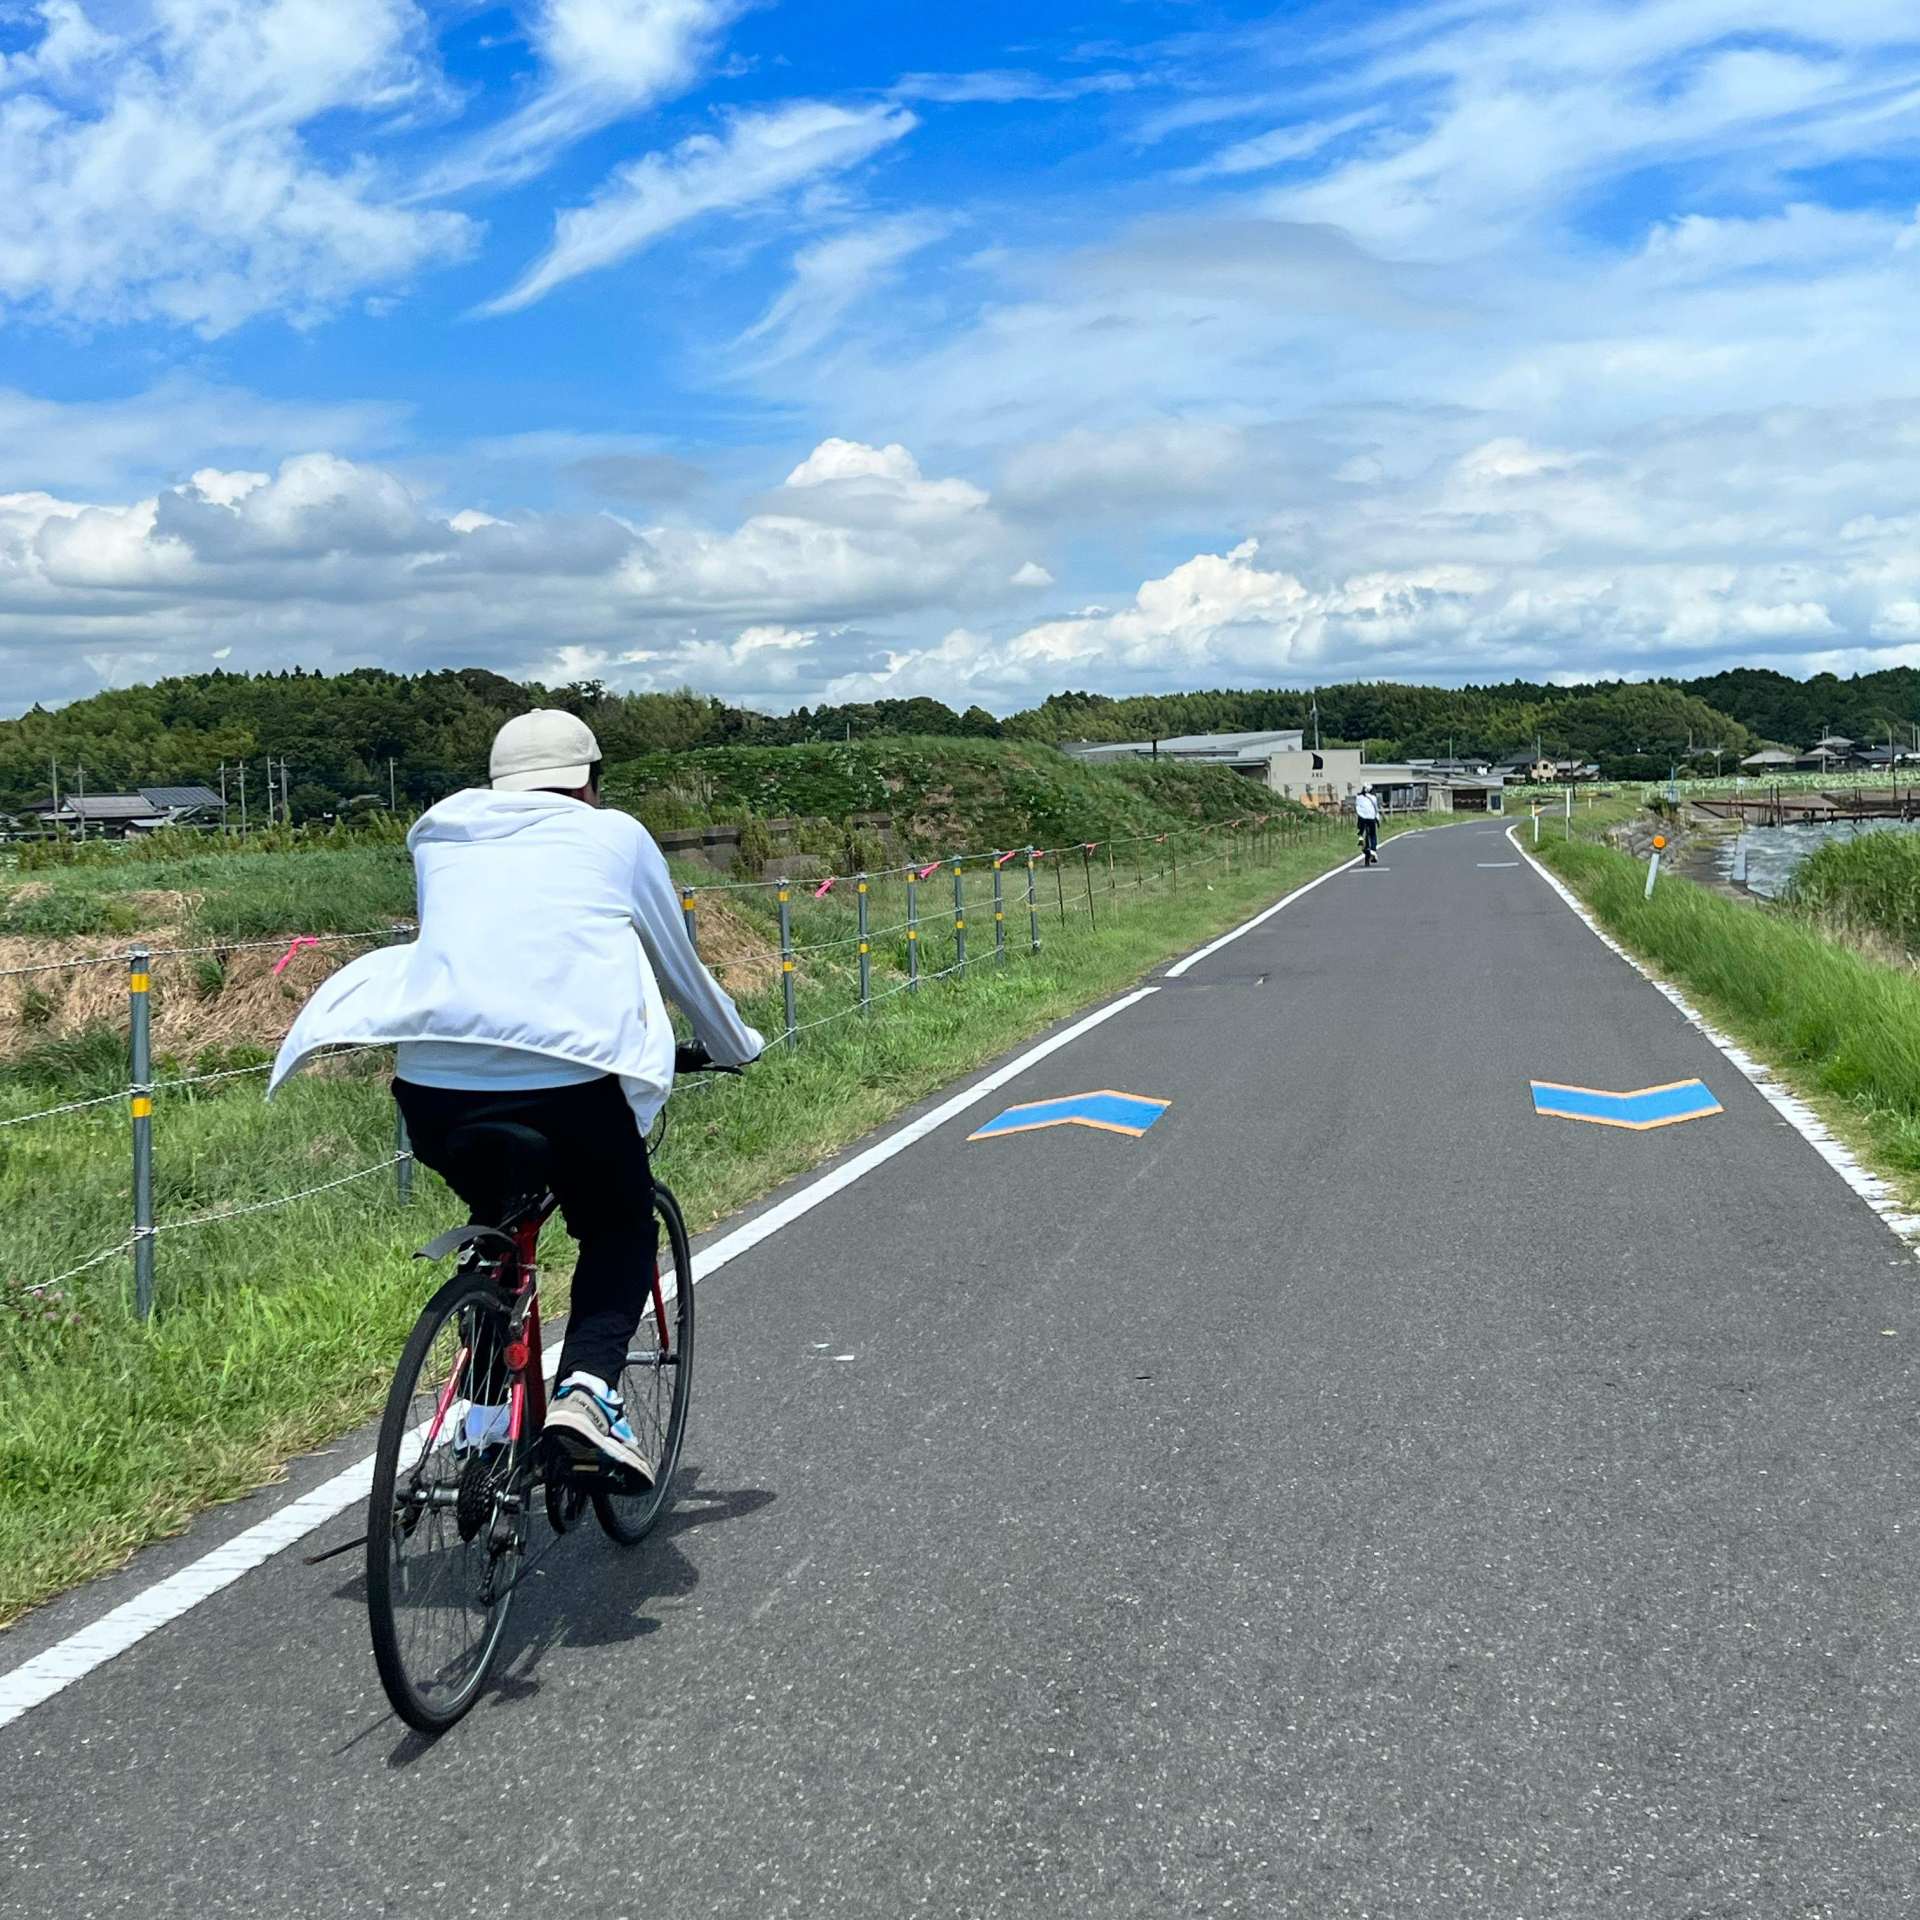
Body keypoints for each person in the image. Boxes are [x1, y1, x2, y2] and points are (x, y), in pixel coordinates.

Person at [269, 710, 763, 1485]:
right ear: (590, 781)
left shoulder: (441, 834)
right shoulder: (617, 837)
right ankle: (591, 1393)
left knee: (500, 1229)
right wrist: (736, 1045)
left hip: (433, 1093)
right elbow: (679, 965)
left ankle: (484, 1421)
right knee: (616, 1224)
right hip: (569, 1087)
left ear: (498, 781)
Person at [1353, 784, 1381, 865]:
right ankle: (1373, 850)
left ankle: (1360, 837)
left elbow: (1357, 807)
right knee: (1373, 834)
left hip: (1361, 819)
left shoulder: (1358, 797)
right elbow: (1376, 809)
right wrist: (1378, 820)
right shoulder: (1373, 798)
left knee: (1360, 829)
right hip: (1371, 818)